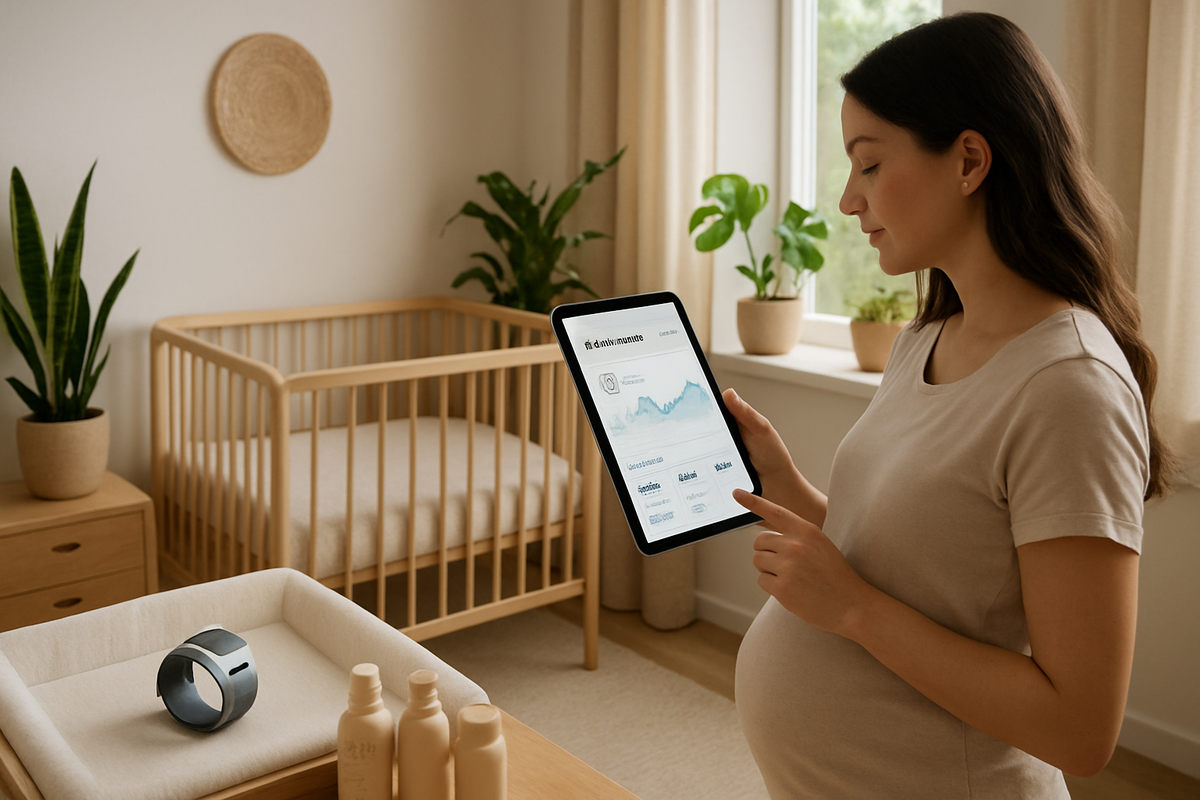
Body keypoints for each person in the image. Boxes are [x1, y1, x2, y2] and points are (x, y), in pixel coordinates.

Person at [727, 12, 1174, 799]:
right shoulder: (927, 336)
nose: (846, 201)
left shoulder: (1069, 386)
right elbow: (914, 563)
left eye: (868, 166)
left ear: (969, 159)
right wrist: (786, 488)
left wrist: (855, 611)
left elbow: (1081, 730)